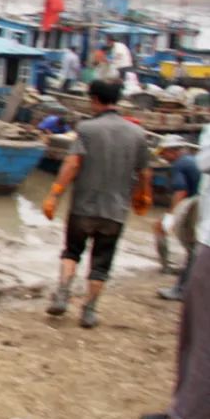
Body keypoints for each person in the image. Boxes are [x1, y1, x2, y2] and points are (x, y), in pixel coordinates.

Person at [42, 80, 152, 328]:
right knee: (101, 262)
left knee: (72, 251)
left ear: (94, 100)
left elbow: (72, 164)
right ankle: (89, 311)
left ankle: (62, 293)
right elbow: (145, 173)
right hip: (115, 213)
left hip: (83, 208)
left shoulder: (87, 129)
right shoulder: (137, 134)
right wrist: (143, 196)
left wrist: (54, 194)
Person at [139, 123, 210, 419]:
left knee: (201, 331)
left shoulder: (185, 164)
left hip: (203, 230)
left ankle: (190, 418)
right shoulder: (186, 160)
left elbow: (188, 183)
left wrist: (169, 218)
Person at [155, 134, 200, 292]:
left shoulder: (179, 164)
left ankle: (179, 285)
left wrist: (170, 216)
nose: (162, 157)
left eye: (164, 153)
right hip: (200, 203)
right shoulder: (190, 160)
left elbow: (180, 192)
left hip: (195, 205)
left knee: (193, 248)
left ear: (172, 151)